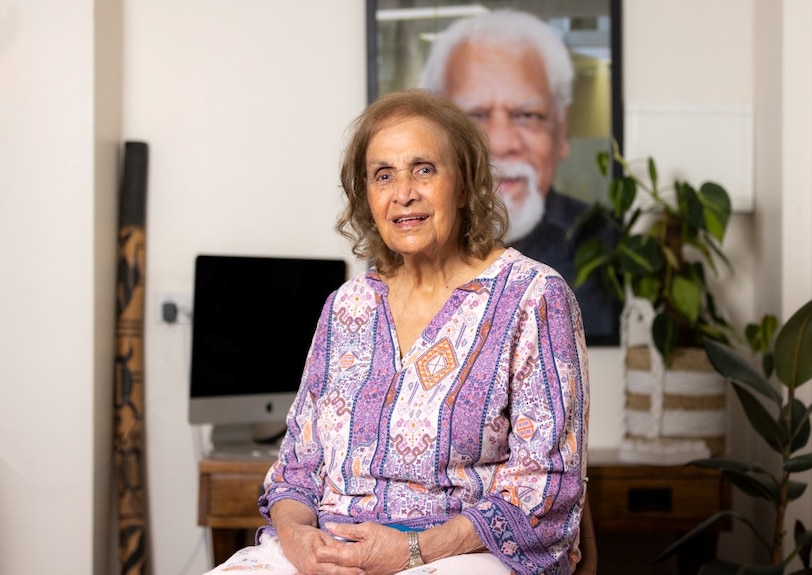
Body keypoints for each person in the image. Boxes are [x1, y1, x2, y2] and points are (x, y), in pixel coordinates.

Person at [204, 89, 589, 575]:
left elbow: (547, 485)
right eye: (384, 175)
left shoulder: (533, 297)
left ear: (466, 183)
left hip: (459, 554)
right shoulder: (347, 306)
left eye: (424, 169)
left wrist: (412, 551)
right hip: (330, 549)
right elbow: (295, 471)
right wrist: (299, 542)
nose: (404, 192)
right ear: (367, 196)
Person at [419, 9, 620, 344]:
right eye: (475, 117)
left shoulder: (604, 242)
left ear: (561, 132)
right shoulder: (408, 242)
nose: (501, 143)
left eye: (527, 115)